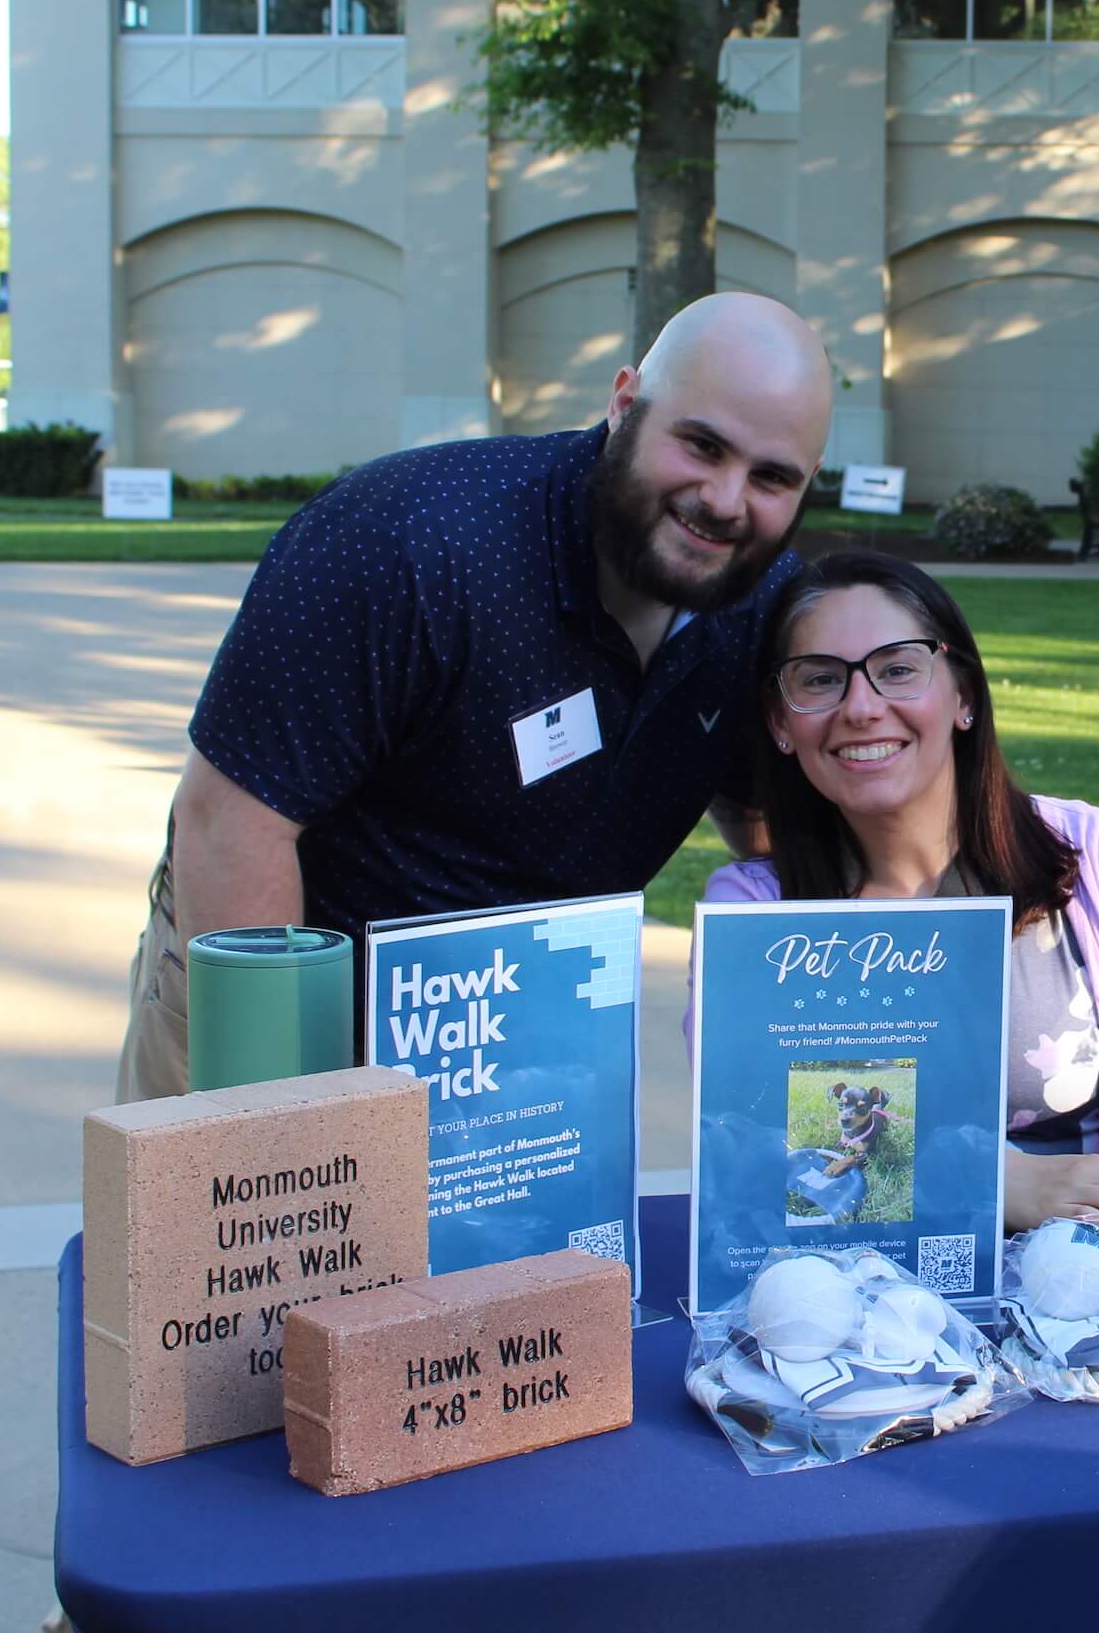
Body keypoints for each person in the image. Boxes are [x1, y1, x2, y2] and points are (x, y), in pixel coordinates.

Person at [115, 292, 833, 1102]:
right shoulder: (405, 542)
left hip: (524, 1037)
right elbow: (228, 823)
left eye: (772, 477)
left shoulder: (766, 602)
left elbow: (764, 813)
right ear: (625, 402)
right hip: (293, 996)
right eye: (702, 445)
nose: (726, 500)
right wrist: (284, 1118)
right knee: (253, 1223)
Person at [701, 551, 1099, 1248]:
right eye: (819, 679)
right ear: (781, 721)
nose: (861, 705)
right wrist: (1007, 1184)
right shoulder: (753, 917)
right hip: (863, 1303)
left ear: (963, 694)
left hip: (1096, 1292)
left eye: (898, 668)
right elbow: (765, 1151)